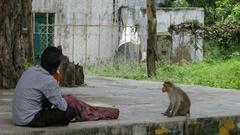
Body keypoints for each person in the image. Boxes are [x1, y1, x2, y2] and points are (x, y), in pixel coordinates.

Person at [12, 47, 76, 127]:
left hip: (17, 117)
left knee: (49, 100)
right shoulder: (49, 80)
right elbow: (63, 107)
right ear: (55, 68)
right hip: (30, 119)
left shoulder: (30, 70)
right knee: (71, 112)